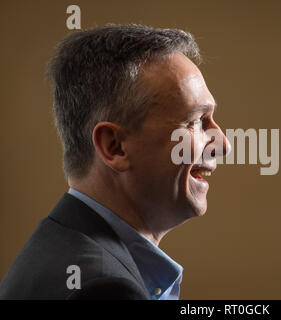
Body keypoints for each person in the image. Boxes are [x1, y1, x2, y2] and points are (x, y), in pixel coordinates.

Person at [0, 24, 230, 299]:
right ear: (115, 146)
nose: (223, 144)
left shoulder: (58, 252)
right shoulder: (103, 289)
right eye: (194, 121)